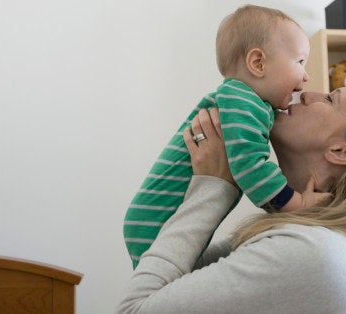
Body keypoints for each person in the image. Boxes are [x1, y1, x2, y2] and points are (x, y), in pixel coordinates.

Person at [118, 82, 346, 314]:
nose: (308, 93)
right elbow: (160, 271)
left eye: (331, 99)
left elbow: (133, 309)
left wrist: (215, 185)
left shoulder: (313, 253)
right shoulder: (314, 243)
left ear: (342, 152)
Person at [123, 5, 331, 269]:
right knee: (165, 293)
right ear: (258, 63)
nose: (306, 75)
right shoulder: (244, 101)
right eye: (300, 62)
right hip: (156, 220)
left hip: (155, 217)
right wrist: (296, 203)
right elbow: (250, 165)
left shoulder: (244, 102)